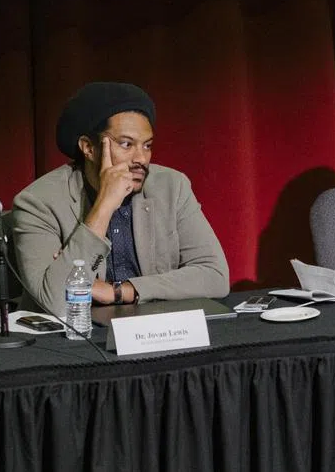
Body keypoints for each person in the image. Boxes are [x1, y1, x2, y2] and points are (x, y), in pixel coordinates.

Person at [12, 82, 229, 315]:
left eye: (147, 146)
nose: (141, 159)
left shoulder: (171, 187)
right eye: (126, 144)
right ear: (88, 148)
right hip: (76, 339)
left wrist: (121, 291)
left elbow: (215, 276)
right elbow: (54, 302)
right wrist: (104, 205)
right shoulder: (38, 201)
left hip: (153, 331)